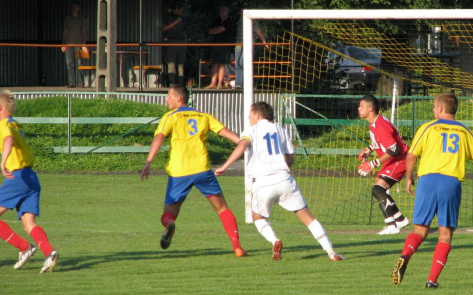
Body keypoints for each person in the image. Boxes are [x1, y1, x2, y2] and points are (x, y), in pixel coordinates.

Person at [214, 102, 342, 261]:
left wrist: (225, 166)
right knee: (309, 219)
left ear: (257, 115)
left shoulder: (251, 130)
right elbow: (290, 158)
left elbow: (242, 146)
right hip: (284, 179)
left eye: (250, 113)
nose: (248, 117)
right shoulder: (281, 130)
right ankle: (332, 253)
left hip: (263, 182)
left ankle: (275, 240)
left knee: (258, 217)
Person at [391, 92, 473, 288]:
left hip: (427, 181)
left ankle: (405, 256)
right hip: (450, 183)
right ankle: (432, 280)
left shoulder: (428, 128)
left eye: (434, 107)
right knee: (445, 234)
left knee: (420, 230)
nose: (433, 110)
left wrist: (409, 177)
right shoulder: (464, 132)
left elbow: (411, 156)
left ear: (441, 109)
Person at [140, 86, 247, 257]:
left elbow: (159, 137)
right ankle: (237, 247)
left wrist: (148, 162)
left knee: (168, 214)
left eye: (168, 96)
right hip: (202, 170)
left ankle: (169, 225)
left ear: (178, 99)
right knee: (222, 209)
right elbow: (228, 134)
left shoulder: (170, 117)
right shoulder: (203, 116)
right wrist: (243, 143)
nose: (166, 100)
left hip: (178, 173)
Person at [0, 90, 59, 273]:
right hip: (31, 177)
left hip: (18, 177)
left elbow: (8, 140)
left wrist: (3, 163)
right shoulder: (15, 124)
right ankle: (49, 253)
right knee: (28, 223)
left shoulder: (3, 124)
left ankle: (24, 247)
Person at [357, 95, 410, 235]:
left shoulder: (380, 125)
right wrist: (368, 150)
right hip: (394, 159)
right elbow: (380, 141)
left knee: (377, 190)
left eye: (361, 106)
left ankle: (392, 225)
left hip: (399, 159)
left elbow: (393, 149)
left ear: (370, 108)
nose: (358, 109)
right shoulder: (375, 122)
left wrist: (372, 164)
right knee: (377, 190)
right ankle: (400, 219)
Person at [233, 13, 267, 89]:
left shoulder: (253, 20)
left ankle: (248, 83)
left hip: (248, 44)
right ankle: (239, 84)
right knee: (237, 64)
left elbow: (258, 31)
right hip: (238, 44)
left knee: (243, 62)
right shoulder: (239, 20)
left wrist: (264, 41)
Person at [206, 6, 234, 89]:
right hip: (216, 44)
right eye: (220, 10)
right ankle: (213, 83)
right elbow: (210, 31)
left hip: (225, 45)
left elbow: (220, 30)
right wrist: (216, 30)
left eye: (223, 10)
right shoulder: (216, 21)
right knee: (214, 63)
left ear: (227, 12)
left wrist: (216, 30)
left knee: (222, 64)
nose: (221, 12)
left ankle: (220, 83)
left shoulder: (229, 21)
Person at [62, 2, 88, 88]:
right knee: (69, 64)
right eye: (73, 7)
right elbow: (65, 32)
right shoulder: (67, 19)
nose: (74, 9)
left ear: (79, 9)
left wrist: (83, 44)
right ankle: (71, 83)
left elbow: (84, 32)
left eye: (76, 7)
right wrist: (63, 44)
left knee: (79, 64)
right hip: (69, 44)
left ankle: (80, 83)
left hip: (78, 44)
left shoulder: (82, 19)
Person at [163, 3, 186, 87]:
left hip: (181, 41)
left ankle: (180, 84)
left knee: (181, 63)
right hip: (171, 40)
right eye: (180, 9)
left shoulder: (182, 17)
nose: (181, 11)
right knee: (171, 63)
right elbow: (164, 28)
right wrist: (175, 22)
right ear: (176, 9)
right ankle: (172, 83)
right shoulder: (168, 17)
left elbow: (184, 29)